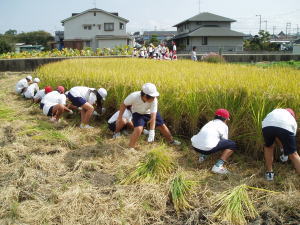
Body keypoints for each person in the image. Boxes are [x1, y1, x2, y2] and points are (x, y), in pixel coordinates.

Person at [116, 83, 181, 149]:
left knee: (162, 126)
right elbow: (124, 105)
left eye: (154, 97)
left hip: (149, 112)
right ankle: (131, 147)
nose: (154, 98)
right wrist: (120, 117)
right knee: (138, 129)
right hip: (137, 113)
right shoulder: (133, 96)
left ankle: (171, 141)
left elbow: (153, 117)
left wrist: (152, 131)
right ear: (144, 95)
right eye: (152, 97)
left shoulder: (154, 100)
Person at [191, 109, 237, 174]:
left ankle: (202, 157)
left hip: (195, 146)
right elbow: (225, 140)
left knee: (209, 140)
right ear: (225, 119)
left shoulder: (209, 123)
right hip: (207, 149)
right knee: (232, 144)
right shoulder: (223, 126)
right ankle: (218, 166)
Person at [262, 108, 300, 181]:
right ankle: (285, 155)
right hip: (286, 126)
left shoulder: (276, 111)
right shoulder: (291, 119)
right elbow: (288, 139)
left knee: (269, 147)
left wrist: (283, 150)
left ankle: (269, 174)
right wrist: (287, 151)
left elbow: (276, 133)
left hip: (267, 125)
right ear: (293, 116)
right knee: (293, 154)